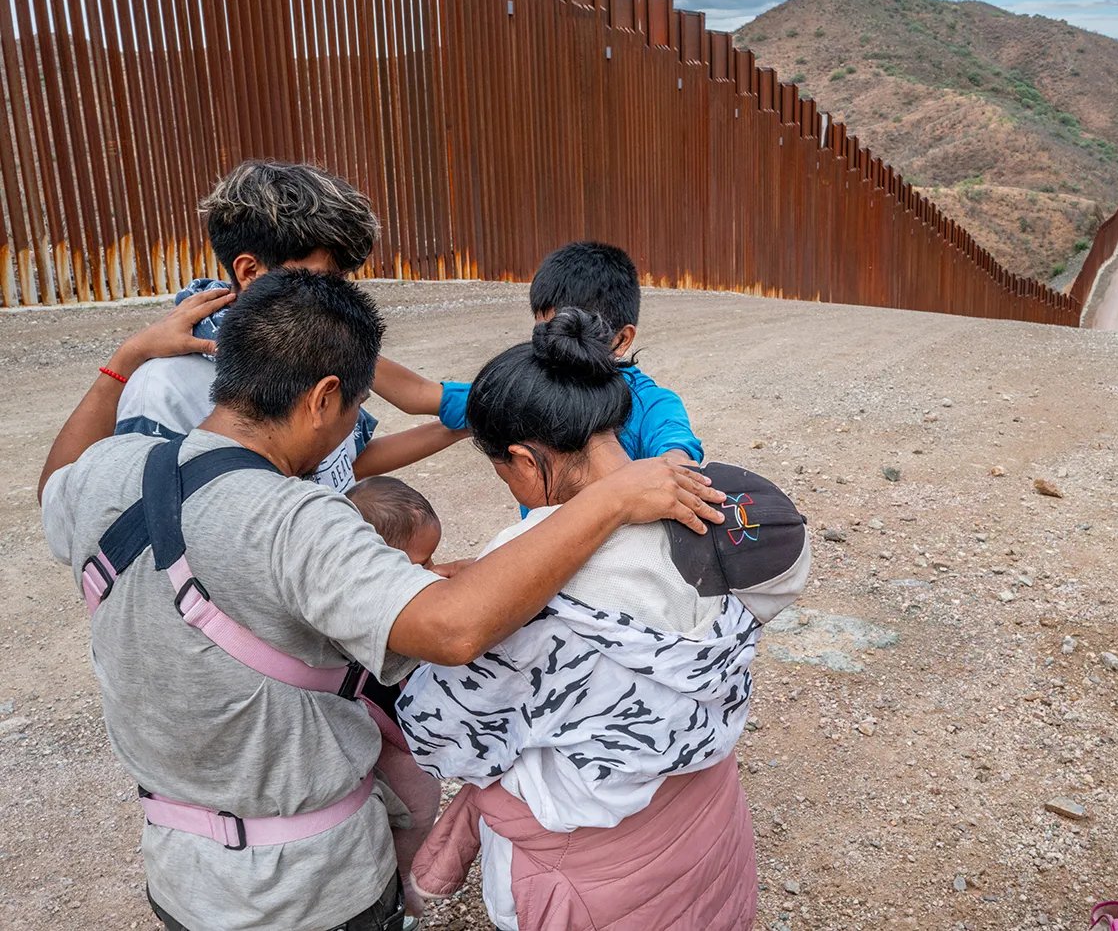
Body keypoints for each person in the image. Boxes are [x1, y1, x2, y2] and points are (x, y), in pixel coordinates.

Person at [38, 272, 725, 931]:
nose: (352, 434)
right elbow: (453, 634)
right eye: (355, 410)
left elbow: (54, 485)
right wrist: (609, 498)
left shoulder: (110, 471)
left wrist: (122, 362)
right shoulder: (299, 521)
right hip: (311, 886)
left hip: (181, 872)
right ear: (323, 397)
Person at [397, 308, 810, 930]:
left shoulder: (519, 586)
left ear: (526, 462)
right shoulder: (710, 507)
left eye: (502, 469)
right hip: (705, 819)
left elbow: (445, 736)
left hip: (588, 864)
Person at [115, 160, 471, 492]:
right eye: (325, 277)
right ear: (249, 272)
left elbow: (346, 462)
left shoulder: (316, 342)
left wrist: (458, 428)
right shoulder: (164, 390)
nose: (337, 293)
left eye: (344, 279)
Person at [347, 476, 447, 926]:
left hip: (385, 732)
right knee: (415, 811)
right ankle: (402, 890)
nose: (430, 572)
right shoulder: (369, 614)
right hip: (389, 739)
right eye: (420, 562)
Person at [529, 240, 703, 467]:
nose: (555, 350)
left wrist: (674, 463)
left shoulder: (650, 404)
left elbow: (676, 450)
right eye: (545, 333)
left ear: (622, 339)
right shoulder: (527, 384)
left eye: (571, 337)